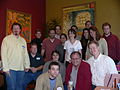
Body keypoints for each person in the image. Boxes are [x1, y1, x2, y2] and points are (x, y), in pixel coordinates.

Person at [1, 23, 30, 90]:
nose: (16, 30)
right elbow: (3, 54)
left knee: (19, 87)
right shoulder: (6, 39)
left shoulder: (23, 40)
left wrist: (27, 65)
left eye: (17, 28)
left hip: (21, 69)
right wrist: (5, 68)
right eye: (14, 28)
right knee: (12, 87)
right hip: (10, 69)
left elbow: (25, 54)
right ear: (12, 30)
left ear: (20, 30)